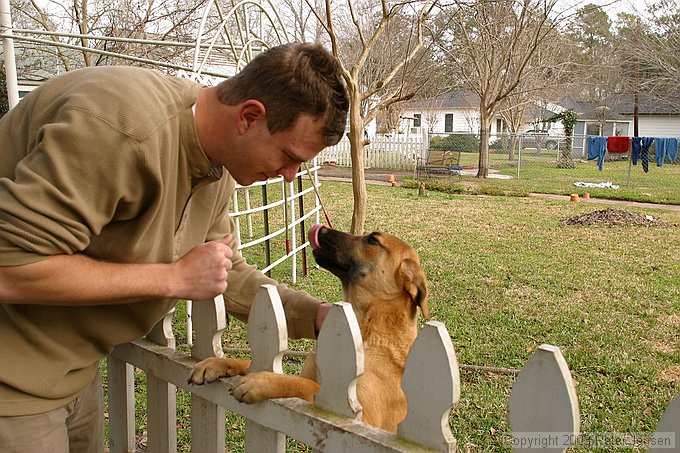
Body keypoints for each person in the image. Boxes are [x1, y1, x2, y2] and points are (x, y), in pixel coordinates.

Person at [0, 42, 349, 452]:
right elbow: (11, 268)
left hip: (73, 373)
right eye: (289, 156)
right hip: (13, 384)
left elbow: (223, 271)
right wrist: (172, 278)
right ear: (250, 116)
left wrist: (316, 316)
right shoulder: (121, 129)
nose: (291, 176)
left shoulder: (217, 164)